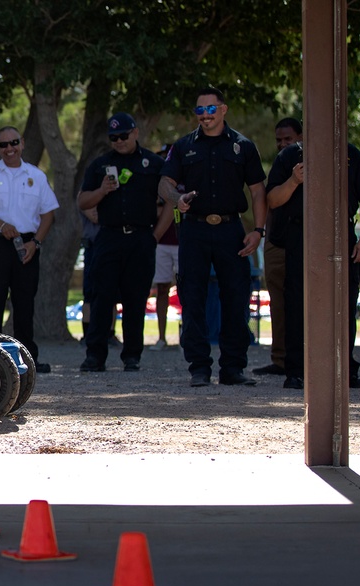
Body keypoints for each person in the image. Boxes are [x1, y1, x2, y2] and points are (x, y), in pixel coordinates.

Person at [159, 86, 267, 387]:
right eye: (199, 110)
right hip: (193, 229)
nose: (204, 116)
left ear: (223, 109)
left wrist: (258, 231)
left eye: (210, 109)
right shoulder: (183, 147)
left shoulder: (243, 146)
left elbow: (258, 191)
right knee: (192, 297)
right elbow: (165, 183)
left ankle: (232, 368)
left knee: (235, 297)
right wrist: (175, 198)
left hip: (232, 230)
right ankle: (199, 367)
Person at [267, 139, 360, 389]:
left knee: (345, 300)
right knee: (296, 302)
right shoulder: (289, 157)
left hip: (341, 234)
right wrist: (294, 181)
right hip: (300, 234)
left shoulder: (350, 153)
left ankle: (345, 369)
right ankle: (295, 370)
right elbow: (272, 199)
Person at [78, 113, 173, 372]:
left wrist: (156, 235)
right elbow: (82, 201)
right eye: (114, 137)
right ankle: (95, 355)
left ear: (135, 133)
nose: (119, 141)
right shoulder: (100, 165)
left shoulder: (153, 163)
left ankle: (132, 355)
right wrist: (102, 191)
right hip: (108, 236)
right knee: (101, 297)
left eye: (123, 136)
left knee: (136, 298)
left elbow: (169, 202)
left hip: (142, 238)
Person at [0, 125, 58, 372]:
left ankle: (28, 359)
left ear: (23, 143)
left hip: (27, 245)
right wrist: (1, 225)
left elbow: (48, 214)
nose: (9, 149)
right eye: (3, 145)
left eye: (13, 143)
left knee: (24, 303)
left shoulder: (36, 176)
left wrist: (35, 243)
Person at [253, 118, 303, 377]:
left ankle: (308, 357)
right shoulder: (280, 165)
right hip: (277, 241)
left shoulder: (309, 162)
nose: (283, 144)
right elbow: (271, 199)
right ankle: (281, 358)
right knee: (279, 301)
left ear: (302, 137)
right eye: (279, 140)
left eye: (289, 139)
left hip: (306, 243)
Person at [151, 143, 179, 351]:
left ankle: (186, 337)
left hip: (183, 242)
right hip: (161, 244)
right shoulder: (156, 184)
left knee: (188, 290)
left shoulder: (185, 178)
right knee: (161, 289)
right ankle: (161, 337)